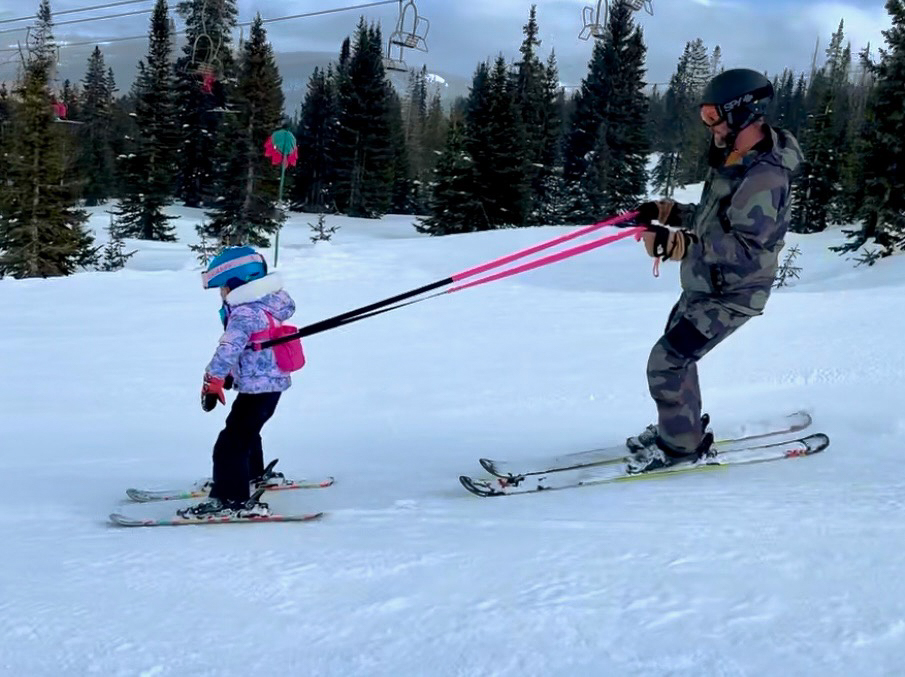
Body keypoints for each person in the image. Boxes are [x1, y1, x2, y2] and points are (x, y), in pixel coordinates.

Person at [627, 68, 804, 473]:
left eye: (713, 115)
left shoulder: (765, 176)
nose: (708, 125)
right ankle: (681, 431)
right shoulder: (736, 159)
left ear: (742, 113)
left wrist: (680, 245)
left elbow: (747, 248)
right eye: (704, 114)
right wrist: (670, 213)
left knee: (667, 361)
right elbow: (714, 220)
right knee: (677, 358)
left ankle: (680, 449)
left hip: (735, 293)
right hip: (707, 285)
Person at [178, 246, 297, 518]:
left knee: (231, 442)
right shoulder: (265, 303)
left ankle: (231, 499)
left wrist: (214, 380)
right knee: (246, 431)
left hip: (259, 388)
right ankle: (252, 475)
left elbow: (228, 349)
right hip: (269, 385)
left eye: (223, 287)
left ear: (237, 284)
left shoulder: (244, 313)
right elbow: (248, 349)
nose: (221, 294)